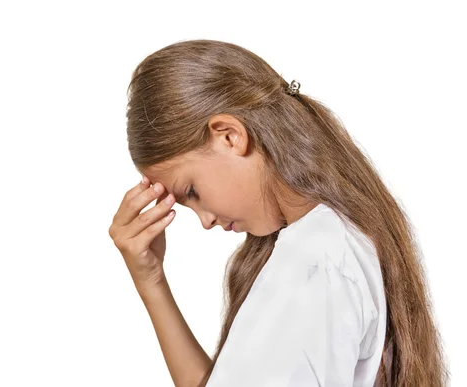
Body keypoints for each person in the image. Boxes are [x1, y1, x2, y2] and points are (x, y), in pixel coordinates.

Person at [108, 39, 449, 386]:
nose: (206, 220)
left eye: (192, 191)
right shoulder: (325, 242)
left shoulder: (314, 261)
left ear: (229, 136)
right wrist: (151, 281)